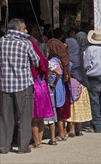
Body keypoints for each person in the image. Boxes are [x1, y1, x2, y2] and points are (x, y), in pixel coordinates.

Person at [0, 19, 40, 154]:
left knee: (5, 117)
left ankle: (4, 146)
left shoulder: (1, 42)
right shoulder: (25, 43)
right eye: (24, 28)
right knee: (24, 116)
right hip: (23, 85)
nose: (26, 31)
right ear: (18, 29)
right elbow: (36, 61)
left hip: (4, 84)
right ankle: (23, 147)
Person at [83, 30, 101, 133]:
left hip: (93, 77)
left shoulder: (90, 49)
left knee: (94, 101)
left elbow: (86, 64)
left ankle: (97, 124)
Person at [29, 34, 54, 148]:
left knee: (34, 118)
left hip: (35, 87)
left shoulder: (32, 59)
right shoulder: (44, 59)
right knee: (41, 117)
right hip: (43, 87)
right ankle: (39, 140)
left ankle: (37, 141)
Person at [65, 38, 91, 138]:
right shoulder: (80, 56)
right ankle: (78, 129)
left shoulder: (69, 57)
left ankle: (71, 129)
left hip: (72, 86)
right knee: (80, 109)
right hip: (82, 85)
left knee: (72, 108)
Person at [47, 39, 71, 142]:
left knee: (59, 111)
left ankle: (61, 132)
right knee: (63, 111)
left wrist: (52, 83)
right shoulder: (64, 58)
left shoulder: (53, 61)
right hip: (64, 87)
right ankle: (64, 132)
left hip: (57, 88)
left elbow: (56, 74)